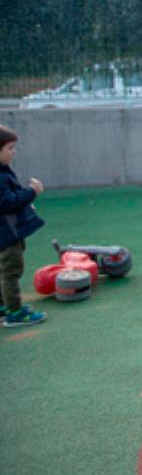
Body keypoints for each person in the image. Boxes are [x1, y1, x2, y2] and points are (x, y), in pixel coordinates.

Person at [0, 126, 47, 327]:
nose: (14, 152)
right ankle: (14, 312)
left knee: (4, 271)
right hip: (6, 235)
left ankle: (4, 306)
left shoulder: (3, 172)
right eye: (10, 148)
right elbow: (7, 202)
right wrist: (32, 192)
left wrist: (25, 202)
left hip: (7, 232)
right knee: (11, 271)